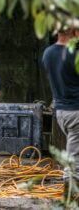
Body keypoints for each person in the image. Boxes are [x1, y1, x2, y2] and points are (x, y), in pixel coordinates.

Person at [42, 29, 79, 185]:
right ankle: (70, 186)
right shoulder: (74, 55)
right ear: (74, 31)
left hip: (61, 112)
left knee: (75, 149)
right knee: (74, 164)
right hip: (76, 111)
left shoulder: (48, 53)